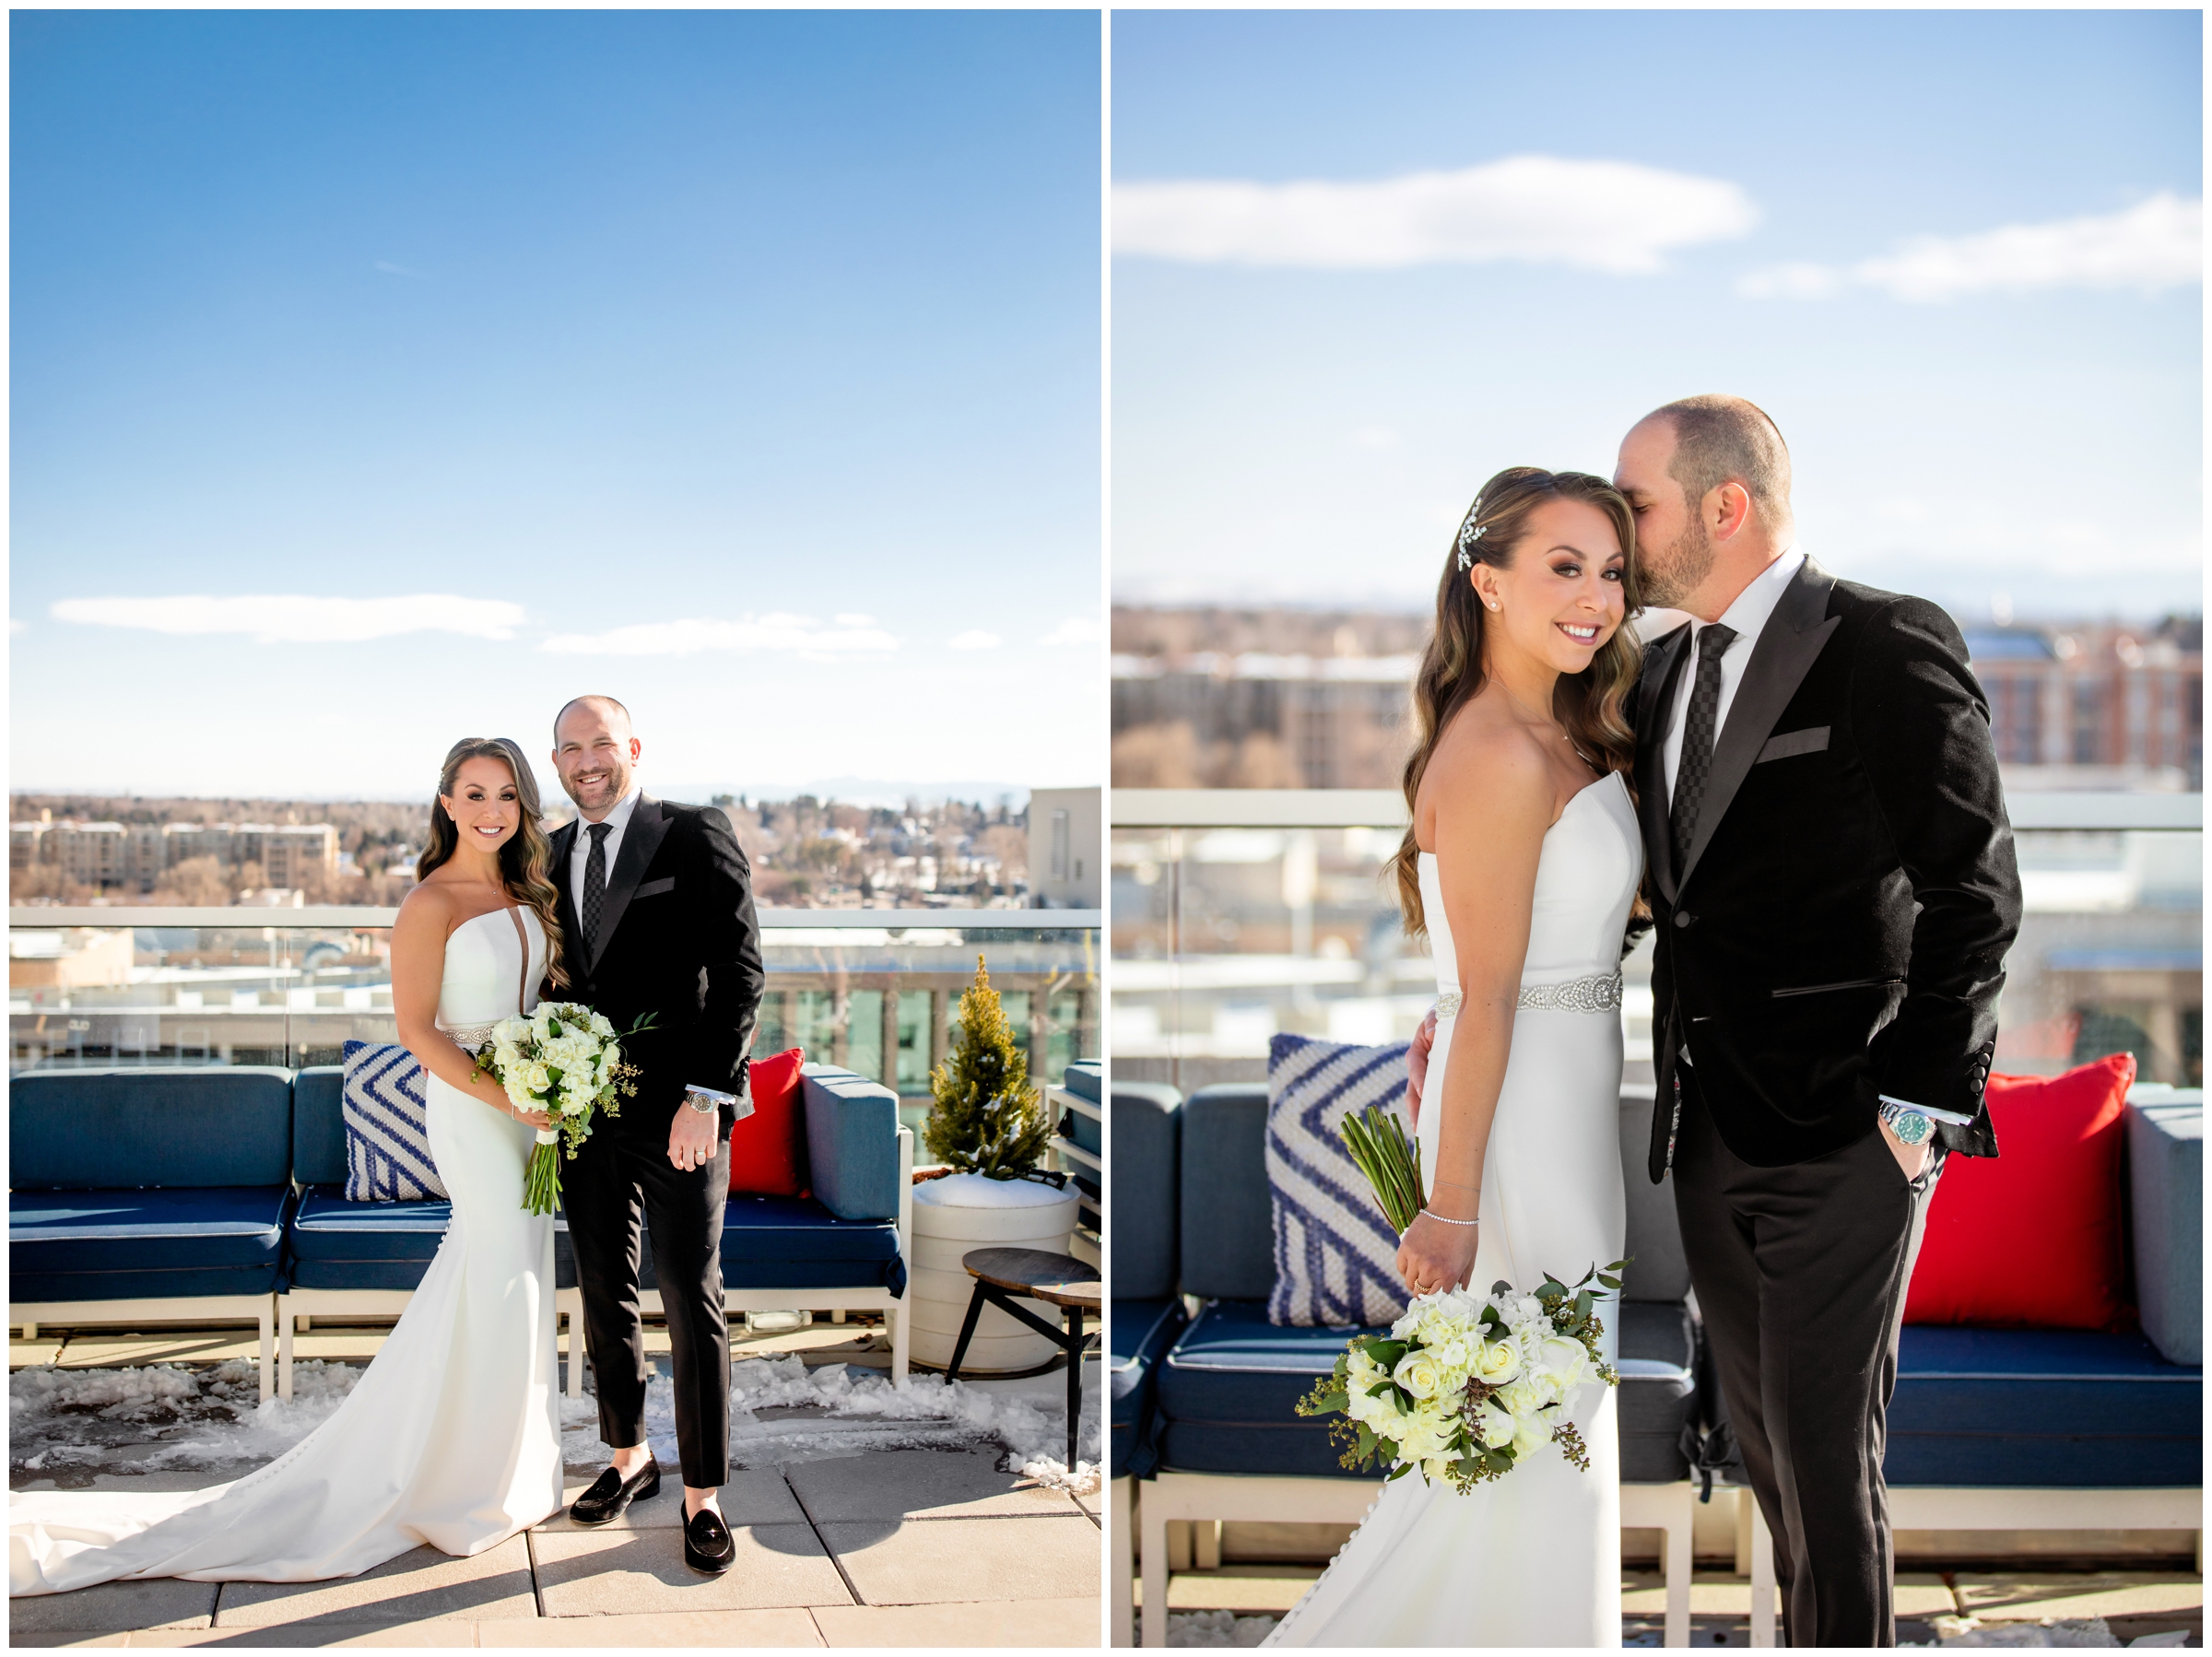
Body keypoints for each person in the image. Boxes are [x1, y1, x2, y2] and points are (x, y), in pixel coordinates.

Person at [1410, 397, 2023, 1648]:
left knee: (1824, 1468)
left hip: (1849, 1135)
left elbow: (1977, 887)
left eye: (1634, 510)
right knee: (1762, 1454)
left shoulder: (1885, 641)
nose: (1622, 549)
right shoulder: (1666, 670)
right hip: (1705, 1137)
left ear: (1723, 505)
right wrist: (1474, 993)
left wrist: (1916, 1114)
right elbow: (1655, 889)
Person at [12, 738, 569, 1594]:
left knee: (517, 1279)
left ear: (523, 804)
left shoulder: (528, 888)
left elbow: (540, 1002)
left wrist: (561, 1076)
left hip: (530, 1110)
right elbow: (419, 1034)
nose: (492, 809)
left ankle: (505, 1469)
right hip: (475, 1106)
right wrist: (513, 1098)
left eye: (506, 794)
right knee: (496, 1273)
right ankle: (453, 1485)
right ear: (447, 804)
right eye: (474, 793)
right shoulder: (429, 902)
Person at [1266, 467, 1643, 1648]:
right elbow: (1486, 1000)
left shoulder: (1564, 730)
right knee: (1529, 1431)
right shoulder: (1495, 752)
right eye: (1566, 568)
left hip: (1565, 1112)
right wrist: (1455, 1203)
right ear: (1486, 580)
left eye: (1615, 571)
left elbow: (1545, 949)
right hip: (1515, 1133)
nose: (1600, 597)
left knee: (1548, 1430)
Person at [545, 695, 764, 1576]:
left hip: (683, 1113)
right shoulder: (552, 853)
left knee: (689, 1297)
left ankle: (704, 1497)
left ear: (632, 748)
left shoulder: (693, 832)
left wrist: (707, 1097)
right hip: (586, 1117)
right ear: (555, 763)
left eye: (601, 743)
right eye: (570, 748)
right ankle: (628, 1459)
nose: (587, 760)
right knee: (604, 1293)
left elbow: (741, 972)